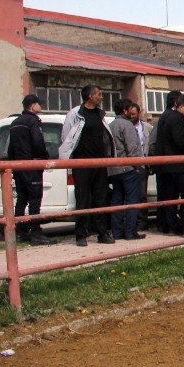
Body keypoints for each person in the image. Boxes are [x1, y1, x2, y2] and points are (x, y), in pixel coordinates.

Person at [60, 84, 116, 246]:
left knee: (101, 199)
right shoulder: (76, 114)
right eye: (99, 94)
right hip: (82, 163)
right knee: (83, 199)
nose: (101, 96)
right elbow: (67, 137)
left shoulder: (100, 114)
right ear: (90, 96)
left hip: (99, 163)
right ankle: (81, 235)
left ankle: (102, 233)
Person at [8, 94, 52, 245]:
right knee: (34, 199)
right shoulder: (33, 121)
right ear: (32, 106)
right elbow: (38, 142)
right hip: (32, 165)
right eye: (39, 104)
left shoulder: (14, 122)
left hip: (18, 166)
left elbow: (10, 149)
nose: (40, 106)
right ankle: (36, 233)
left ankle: (20, 232)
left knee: (21, 199)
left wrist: (14, 163)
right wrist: (44, 156)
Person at [153, 93, 184, 236]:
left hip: (171, 165)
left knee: (171, 196)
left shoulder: (170, 118)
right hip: (179, 166)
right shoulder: (177, 120)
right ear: (180, 106)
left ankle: (171, 225)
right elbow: (179, 140)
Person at [109, 98, 145, 240]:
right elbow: (132, 148)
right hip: (128, 168)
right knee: (132, 200)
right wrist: (137, 165)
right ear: (125, 111)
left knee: (117, 199)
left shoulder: (110, 125)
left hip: (114, 169)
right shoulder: (127, 125)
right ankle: (130, 232)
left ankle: (117, 232)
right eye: (130, 109)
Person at [129, 104, 153, 232]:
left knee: (142, 194)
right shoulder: (126, 127)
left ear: (139, 113)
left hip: (143, 165)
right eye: (130, 114)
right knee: (131, 194)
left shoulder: (147, 128)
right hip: (129, 165)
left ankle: (143, 222)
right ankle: (132, 221)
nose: (132, 116)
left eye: (134, 114)